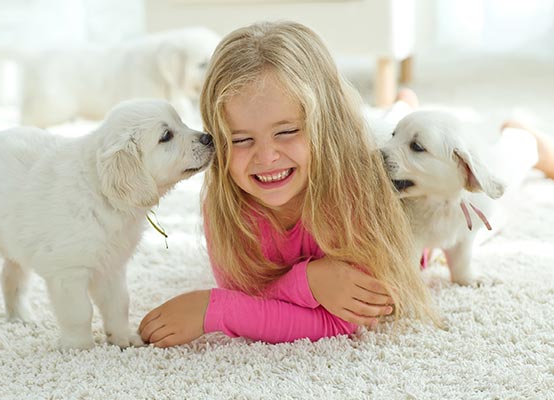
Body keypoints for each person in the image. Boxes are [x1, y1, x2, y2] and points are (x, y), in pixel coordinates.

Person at [138, 21, 554, 348]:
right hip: (382, 142)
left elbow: (345, 317)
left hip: (424, 196)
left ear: (326, 128)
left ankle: (523, 139)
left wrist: (217, 311)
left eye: (286, 132)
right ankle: (402, 107)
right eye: (242, 139)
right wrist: (310, 280)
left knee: (488, 206)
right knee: (392, 125)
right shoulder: (228, 205)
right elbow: (251, 292)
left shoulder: (354, 195)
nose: (265, 157)